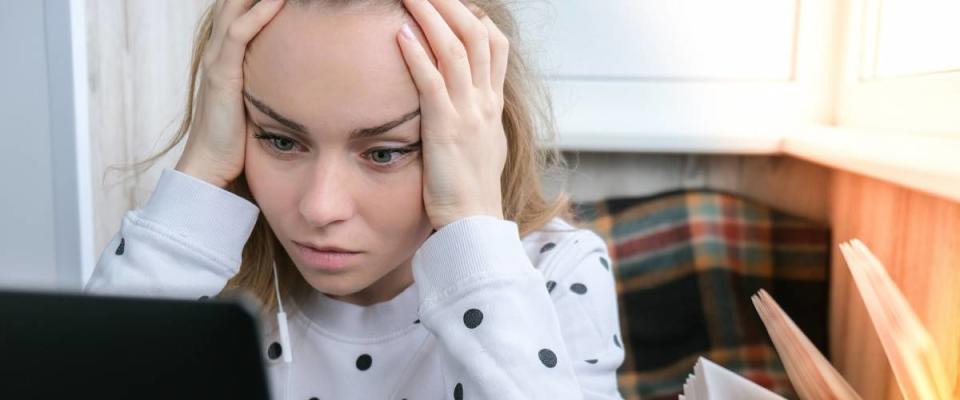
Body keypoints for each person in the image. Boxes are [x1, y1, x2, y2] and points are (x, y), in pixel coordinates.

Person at [85, 0, 625, 398]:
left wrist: (470, 224)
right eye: (279, 140)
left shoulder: (558, 274)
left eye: (385, 153)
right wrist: (202, 171)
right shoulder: (200, 272)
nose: (320, 208)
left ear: (475, 137)